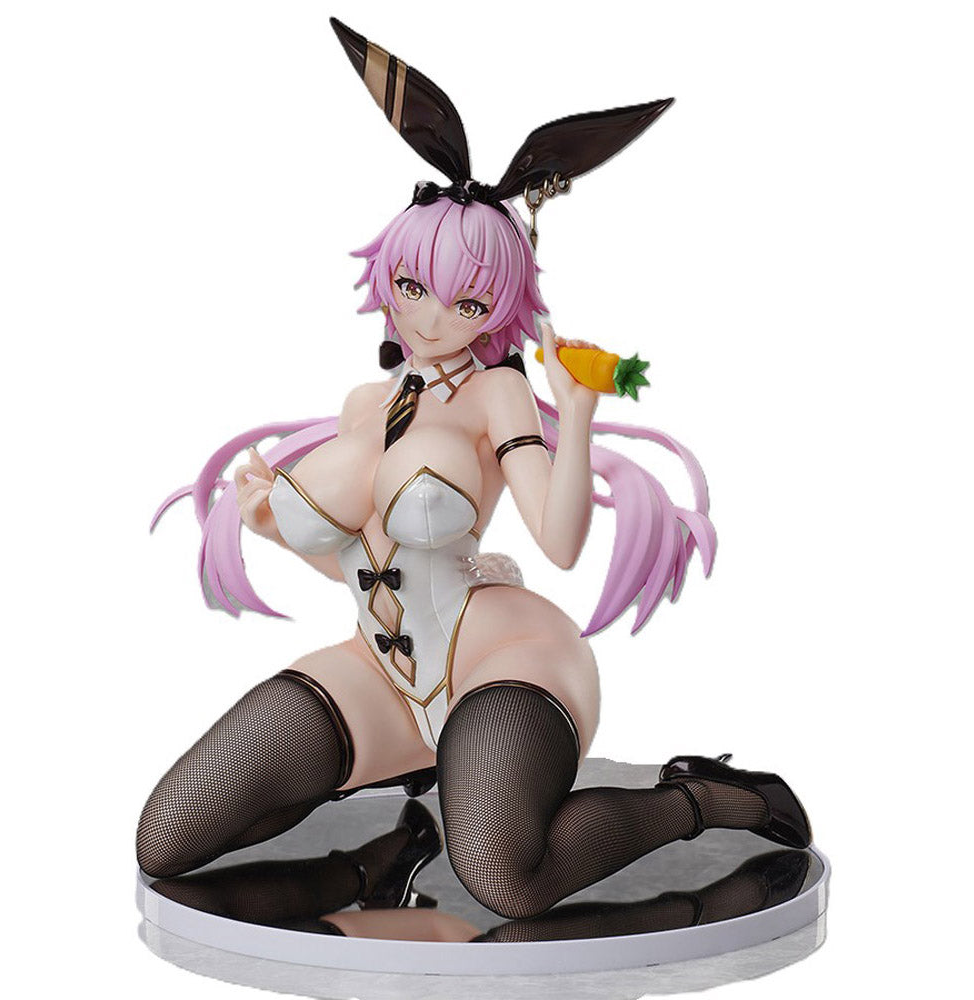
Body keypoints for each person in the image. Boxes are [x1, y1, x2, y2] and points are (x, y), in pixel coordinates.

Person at [136, 18, 811, 922]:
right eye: (413, 286)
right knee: (168, 834)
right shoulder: (366, 404)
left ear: (501, 305)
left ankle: (708, 799)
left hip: (502, 659)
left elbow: (561, 545)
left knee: (503, 877)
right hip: (385, 673)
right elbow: (359, 560)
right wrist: (272, 524)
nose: (429, 318)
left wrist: (576, 414)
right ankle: (379, 862)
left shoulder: (498, 394)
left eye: (466, 300)